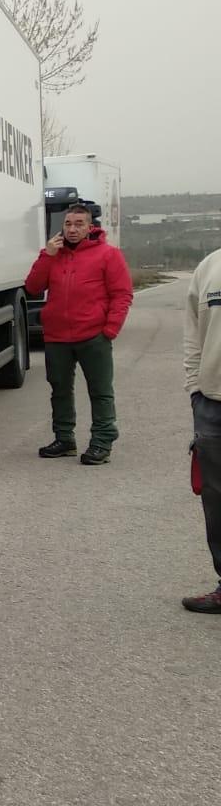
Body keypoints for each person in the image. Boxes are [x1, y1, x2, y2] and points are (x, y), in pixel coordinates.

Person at [25, 202, 133, 465]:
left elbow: (122, 295)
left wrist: (110, 329)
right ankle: (64, 439)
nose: (72, 229)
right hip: (57, 337)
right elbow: (33, 287)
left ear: (90, 227)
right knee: (59, 390)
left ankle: (102, 442)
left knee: (100, 391)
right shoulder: (53, 255)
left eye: (79, 224)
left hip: (93, 336)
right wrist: (47, 255)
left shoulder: (108, 255)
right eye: (68, 224)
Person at [182, 247, 221, 612]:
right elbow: (193, 331)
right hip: (212, 403)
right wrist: (195, 387)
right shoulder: (210, 266)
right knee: (216, 500)